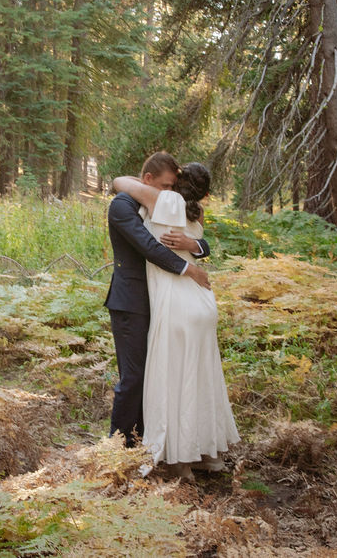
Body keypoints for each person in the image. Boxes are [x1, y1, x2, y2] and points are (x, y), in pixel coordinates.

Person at [113, 162, 240, 480]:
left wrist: (153, 182)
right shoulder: (194, 210)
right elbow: (200, 245)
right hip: (201, 300)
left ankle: (181, 461)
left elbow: (118, 181)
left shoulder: (165, 201)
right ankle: (209, 454)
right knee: (202, 378)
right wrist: (196, 248)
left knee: (174, 380)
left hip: (176, 302)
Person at [105, 152, 212, 448]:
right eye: (167, 186)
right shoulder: (122, 206)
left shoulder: (166, 204)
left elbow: (200, 240)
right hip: (131, 302)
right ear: (148, 180)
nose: (172, 194)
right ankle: (117, 447)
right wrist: (189, 269)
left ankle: (145, 440)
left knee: (156, 376)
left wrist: (194, 247)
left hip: (164, 302)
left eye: (174, 187)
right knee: (134, 376)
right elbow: (148, 246)